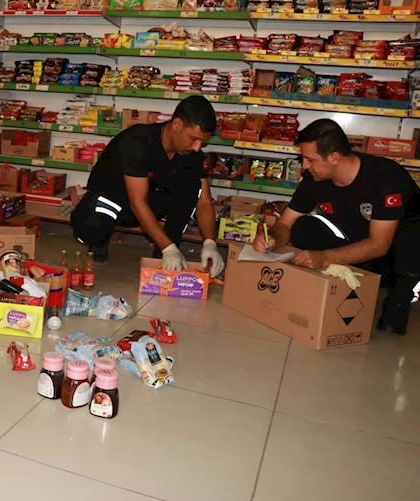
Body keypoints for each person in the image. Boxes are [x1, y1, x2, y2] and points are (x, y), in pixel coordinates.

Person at [252, 119, 420, 336]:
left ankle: (401, 298)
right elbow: (286, 223)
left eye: (309, 159)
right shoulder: (315, 178)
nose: (304, 166)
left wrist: (324, 257)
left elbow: (380, 245)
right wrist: (273, 238)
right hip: (358, 247)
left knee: (413, 240)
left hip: (399, 256)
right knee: (303, 227)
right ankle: (346, 284)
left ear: (333, 157)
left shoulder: (386, 178)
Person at [70, 95, 224, 278]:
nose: (198, 147)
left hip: (144, 205)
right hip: (111, 201)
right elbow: (137, 203)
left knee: (191, 185)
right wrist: (169, 249)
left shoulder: (191, 154)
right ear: (177, 124)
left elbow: (204, 200)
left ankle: (165, 251)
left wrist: (210, 243)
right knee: (91, 227)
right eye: (193, 139)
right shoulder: (138, 141)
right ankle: (100, 241)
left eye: (202, 142)